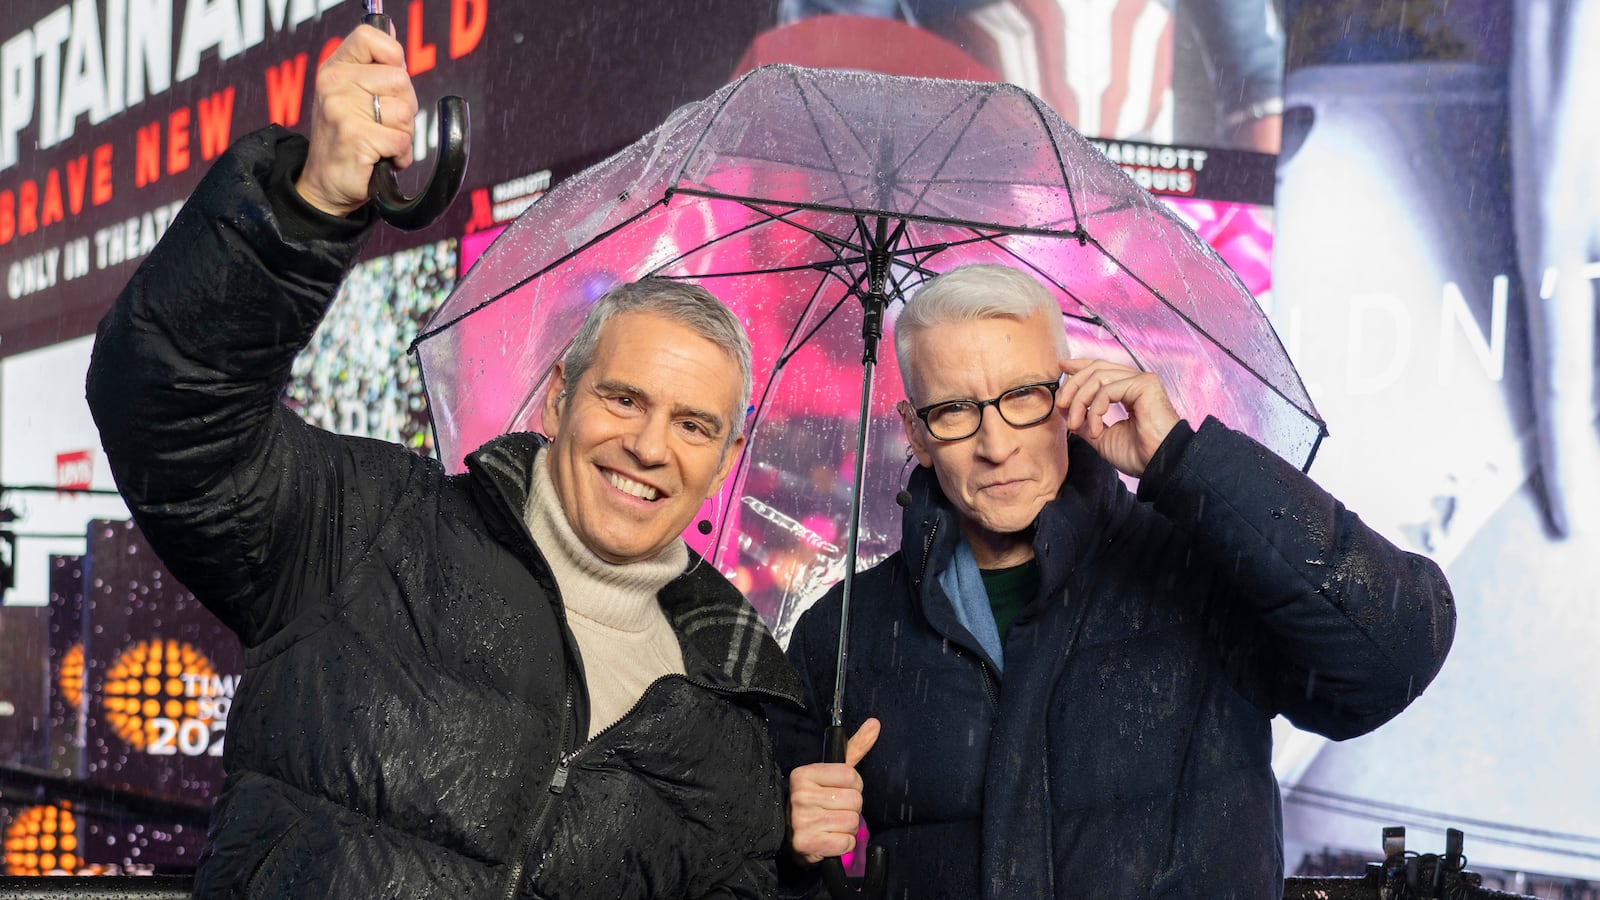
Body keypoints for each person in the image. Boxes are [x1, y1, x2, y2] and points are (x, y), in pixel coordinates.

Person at [85, 23, 802, 900]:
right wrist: (307, 206)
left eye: (694, 425)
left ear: (725, 458)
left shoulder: (731, 730)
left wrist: (812, 867)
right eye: (624, 399)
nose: (650, 446)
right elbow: (168, 407)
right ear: (557, 400)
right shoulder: (370, 527)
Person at [767, 263, 1456, 898]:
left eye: (1024, 397)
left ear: (1068, 396)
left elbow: (1390, 654)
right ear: (916, 434)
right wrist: (794, 854)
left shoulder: (1200, 570)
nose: (997, 444)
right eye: (954, 410)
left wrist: (1183, 461)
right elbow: (756, 874)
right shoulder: (845, 631)